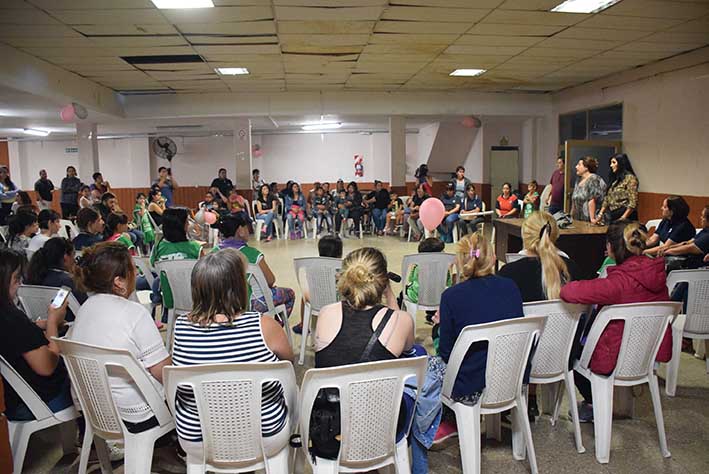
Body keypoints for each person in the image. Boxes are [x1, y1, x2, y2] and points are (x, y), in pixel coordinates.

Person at [171, 248, 293, 457]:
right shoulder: (264, 326)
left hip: (198, 438)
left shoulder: (181, 327)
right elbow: (287, 365)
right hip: (264, 436)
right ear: (238, 287)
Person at [560, 221, 673, 422]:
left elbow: (568, 292)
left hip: (616, 355)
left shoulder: (617, 282)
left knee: (571, 353)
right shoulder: (657, 276)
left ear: (611, 247)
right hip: (647, 354)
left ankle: (593, 404)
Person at [313, 247, 416, 454]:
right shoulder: (401, 319)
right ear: (382, 280)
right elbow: (408, 346)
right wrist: (389, 295)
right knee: (419, 360)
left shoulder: (325, 313)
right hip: (380, 429)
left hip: (327, 430)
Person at [70, 242, 172, 432]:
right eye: (133, 269)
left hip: (96, 412)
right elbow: (163, 373)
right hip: (139, 416)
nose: (136, 273)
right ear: (119, 282)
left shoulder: (84, 309)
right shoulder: (135, 313)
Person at [436, 232, 524, 438]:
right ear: (493, 258)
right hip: (509, 377)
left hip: (469, 383)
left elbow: (446, 352)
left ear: (459, 260)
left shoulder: (451, 297)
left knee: (427, 365)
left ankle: (445, 422)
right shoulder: (511, 287)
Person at [497, 212, 583, 419]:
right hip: (562, 354)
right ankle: (534, 400)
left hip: (521, 359)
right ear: (554, 235)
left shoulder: (509, 273)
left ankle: (510, 402)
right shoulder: (572, 269)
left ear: (524, 235)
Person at [0, 248, 72, 422]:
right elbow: (47, 367)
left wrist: (36, 326)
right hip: (34, 403)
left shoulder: (8, 317)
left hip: (14, 398)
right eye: (17, 279)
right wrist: (53, 323)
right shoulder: (13, 319)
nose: (19, 285)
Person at [215, 214, 296, 318]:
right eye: (247, 228)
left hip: (221, 304)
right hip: (250, 306)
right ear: (241, 230)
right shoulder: (252, 254)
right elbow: (270, 280)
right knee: (289, 294)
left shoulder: (213, 253)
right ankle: (270, 329)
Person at [292, 235, 343, 335]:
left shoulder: (311, 266)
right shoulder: (343, 267)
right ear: (340, 253)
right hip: (338, 302)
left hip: (317, 302)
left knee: (304, 296)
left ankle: (303, 325)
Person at [26, 237, 87, 321]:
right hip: (67, 327)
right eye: (73, 255)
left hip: (39, 325)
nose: (74, 260)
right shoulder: (68, 281)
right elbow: (86, 308)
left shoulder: (32, 276)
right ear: (65, 257)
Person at [597, 153, 639, 223]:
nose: (611, 165)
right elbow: (607, 198)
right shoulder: (615, 179)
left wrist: (623, 218)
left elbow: (633, 202)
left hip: (626, 215)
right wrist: (600, 214)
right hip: (614, 214)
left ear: (621, 163)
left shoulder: (630, 178)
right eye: (611, 163)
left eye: (614, 162)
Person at [571, 156, 606, 224]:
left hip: (590, 220)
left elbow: (592, 199)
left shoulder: (593, 179)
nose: (576, 167)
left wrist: (592, 219)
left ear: (586, 167)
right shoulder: (578, 180)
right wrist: (571, 217)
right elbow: (574, 199)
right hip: (578, 219)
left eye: (579, 164)